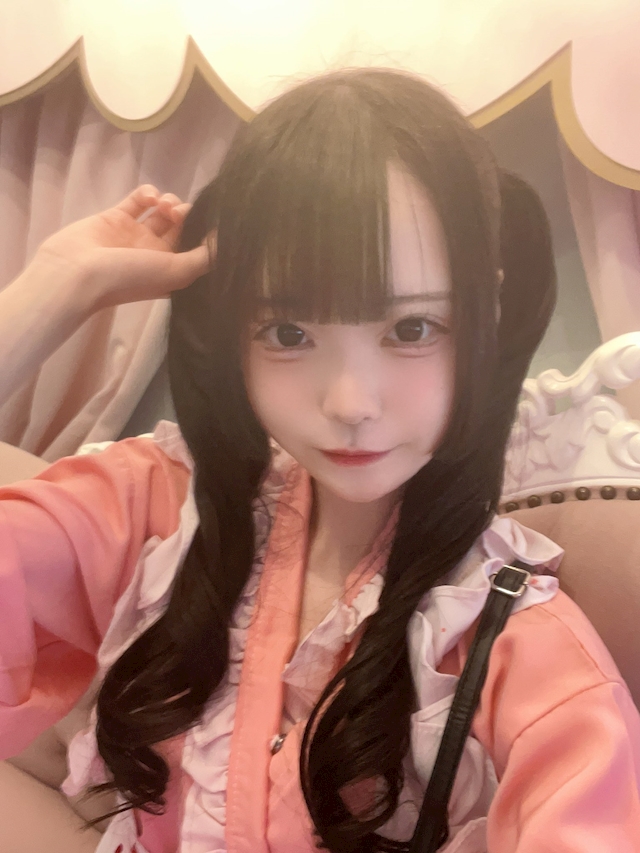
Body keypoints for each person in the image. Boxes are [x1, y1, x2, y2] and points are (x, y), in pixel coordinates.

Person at [0, 67, 639, 853]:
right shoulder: (156, 507)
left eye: (411, 329)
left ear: (488, 317)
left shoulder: (507, 644)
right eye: (289, 332)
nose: (349, 401)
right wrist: (54, 290)